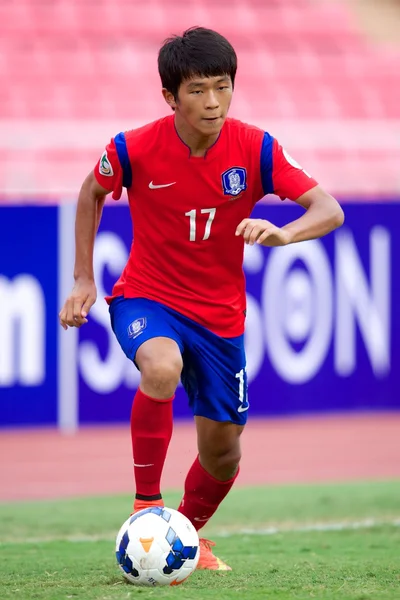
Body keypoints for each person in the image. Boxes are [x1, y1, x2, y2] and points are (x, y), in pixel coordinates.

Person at [59, 26, 344, 571]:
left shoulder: (257, 148)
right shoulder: (133, 147)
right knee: (161, 368)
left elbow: (328, 209)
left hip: (221, 318)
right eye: (197, 90)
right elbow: (91, 191)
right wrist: (82, 278)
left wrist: (286, 232)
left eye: (222, 86)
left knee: (224, 452)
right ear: (170, 97)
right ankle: (147, 506)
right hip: (148, 297)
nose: (213, 102)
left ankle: (185, 536)